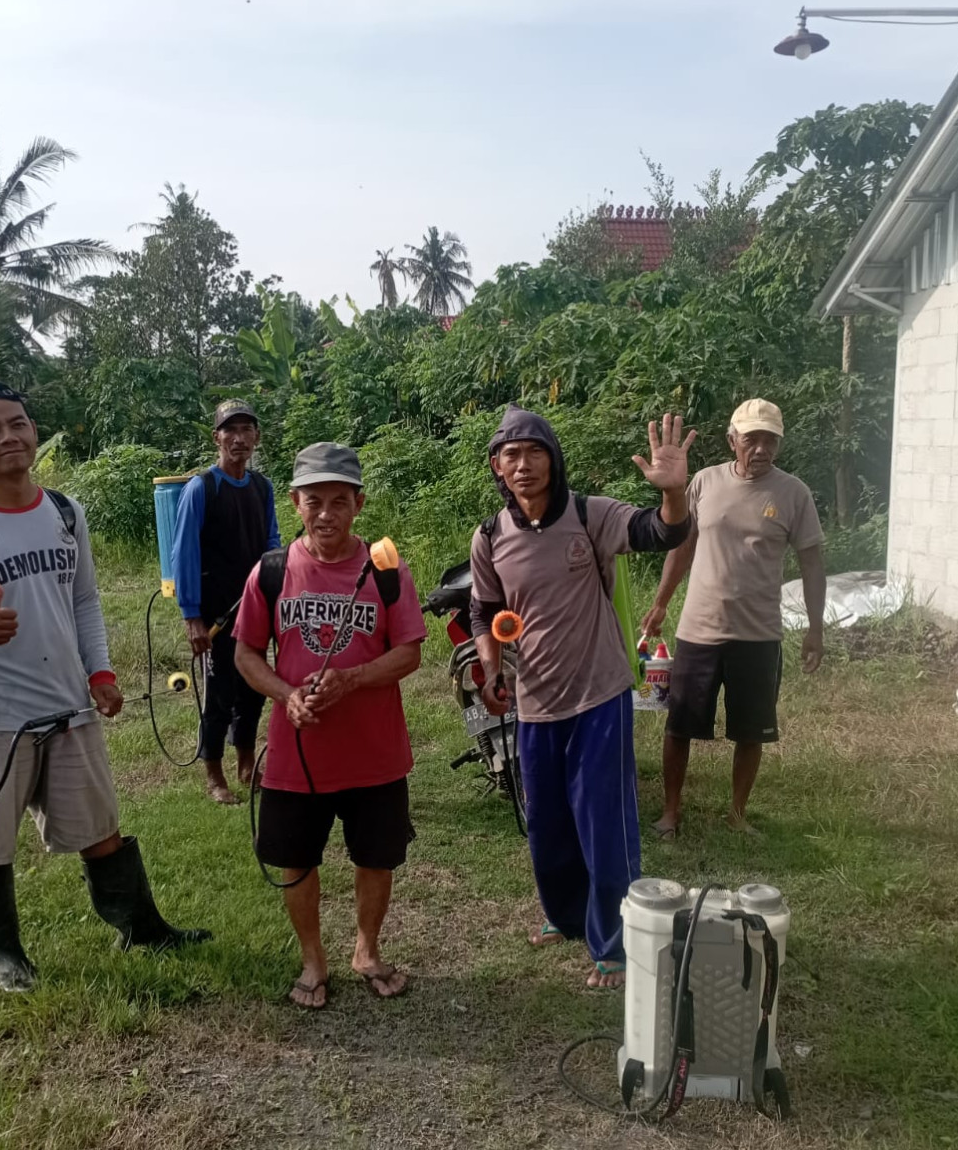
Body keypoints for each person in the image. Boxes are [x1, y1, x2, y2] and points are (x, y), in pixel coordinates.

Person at [0, 380, 211, 993]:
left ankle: (141, 927)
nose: (8, 437)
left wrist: (100, 673)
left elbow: (85, 601)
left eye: (17, 423)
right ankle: (2, 951)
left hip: (68, 702)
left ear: (33, 431)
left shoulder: (65, 512)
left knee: (99, 826)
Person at [469, 406, 695, 990]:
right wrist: (492, 669)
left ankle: (614, 942)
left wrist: (674, 496)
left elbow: (661, 531)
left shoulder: (588, 514)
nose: (522, 465)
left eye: (534, 451)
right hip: (535, 703)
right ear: (496, 466)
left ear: (553, 458)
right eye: (510, 455)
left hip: (599, 695)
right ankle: (564, 916)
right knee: (547, 822)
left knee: (604, 821)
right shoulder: (490, 536)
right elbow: (484, 611)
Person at [234, 442, 425, 1010]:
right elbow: (246, 654)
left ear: (359, 504)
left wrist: (352, 678)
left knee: (376, 856)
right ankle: (313, 958)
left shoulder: (387, 571)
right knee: (298, 858)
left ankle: (366, 949)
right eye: (313, 500)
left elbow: (410, 652)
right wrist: (287, 694)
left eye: (339, 501)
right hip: (298, 755)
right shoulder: (271, 571)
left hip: (375, 752)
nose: (326, 514)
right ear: (295, 503)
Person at [641, 398, 826, 838]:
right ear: (732, 440)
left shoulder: (793, 493)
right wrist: (662, 600)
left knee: (752, 731)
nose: (761, 448)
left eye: (770, 440)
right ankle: (670, 812)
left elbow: (812, 563)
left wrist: (815, 628)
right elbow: (682, 545)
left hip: (758, 634)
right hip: (699, 629)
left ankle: (738, 814)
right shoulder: (704, 482)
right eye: (752, 439)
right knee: (680, 723)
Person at [172, 399, 281, 803]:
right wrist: (191, 616)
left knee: (253, 687)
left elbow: (272, 544)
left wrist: (275, 586)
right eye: (229, 430)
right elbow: (184, 554)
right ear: (217, 437)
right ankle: (214, 775)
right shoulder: (202, 488)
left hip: (254, 609)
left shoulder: (261, 487)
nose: (239, 438)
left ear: (256, 437)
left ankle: (247, 763)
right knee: (219, 693)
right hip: (215, 612)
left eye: (246, 429)